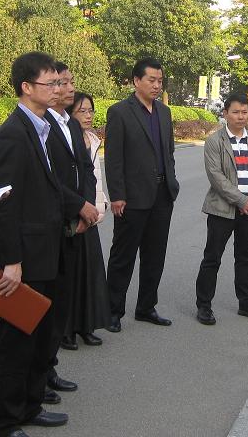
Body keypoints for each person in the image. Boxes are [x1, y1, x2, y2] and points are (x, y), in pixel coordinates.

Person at [0, 52, 72, 437]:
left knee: (40, 335)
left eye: (59, 83)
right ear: (26, 87)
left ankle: (31, 405)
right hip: (24, 258)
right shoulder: (13, 133)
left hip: (47, 251)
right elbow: (6, 204)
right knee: (16, 340)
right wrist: (12, 261)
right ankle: (5, 421)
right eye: (50, 83)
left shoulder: (42, 127)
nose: (57, 90)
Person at [105, 57, 180, 331]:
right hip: (132, 197)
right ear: (136, 81)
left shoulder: (164, 112)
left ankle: (146, 307)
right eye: (151, 80)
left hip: (162, 195)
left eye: (160, 80)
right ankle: (112, 311)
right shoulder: (119, 112)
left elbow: (169, 152)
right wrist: (117, 195)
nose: (157, 85)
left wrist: (172, 182)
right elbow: (113, 158)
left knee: (155, 256)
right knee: (123, 256)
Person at [42, 62, 98, 402]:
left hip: (77, 221)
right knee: (43, 309)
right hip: (54, 224)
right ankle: (36, 378)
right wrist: (78, 206)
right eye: (61, 82)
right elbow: (49, 181)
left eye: (71, 81)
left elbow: (87, 171)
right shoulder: (41, 126)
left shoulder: (71, 125)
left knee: (60, 301)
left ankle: (48, 369)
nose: (69, 87)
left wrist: (87, 207)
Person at [195, 94, 248, 326]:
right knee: (212, 258)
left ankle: (247, 303)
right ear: (225, 113)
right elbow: (216, 177)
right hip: (222, 210)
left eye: (244, 112)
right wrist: (241, 200)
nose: (240, 117)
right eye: (235, 112)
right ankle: (204, 305)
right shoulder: (214, 141)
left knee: (245, 257)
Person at [64, 91, 112, 344]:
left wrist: (99, 205)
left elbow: (95, 178)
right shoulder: (64, 139)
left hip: (91, 211)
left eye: (91, 110)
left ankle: (86, 325)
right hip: (73, 214)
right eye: (82, 111)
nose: (88, 115)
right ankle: (67, 330)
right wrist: (78, 210)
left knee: (90, 273)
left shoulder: (93, 140)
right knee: (71, 274)